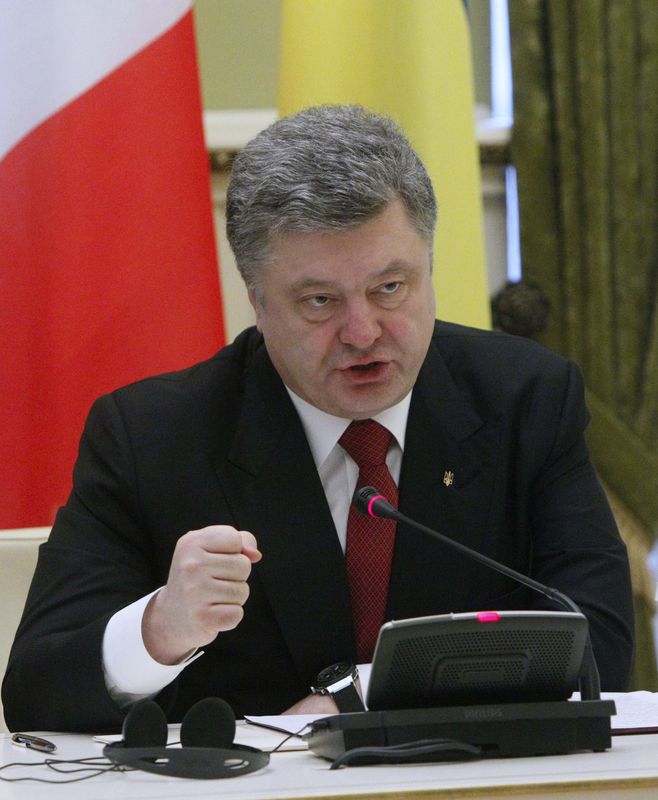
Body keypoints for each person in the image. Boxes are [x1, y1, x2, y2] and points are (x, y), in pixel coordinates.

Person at [2, 105, 634, 733]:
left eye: (391, 288)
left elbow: (598, 644)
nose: (363, 332)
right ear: (256, 301)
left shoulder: (525, 400)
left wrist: (361, 702)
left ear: (430, 267)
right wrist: (160, 628)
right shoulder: (152, 436)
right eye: (319, 301)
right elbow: (36, 692)